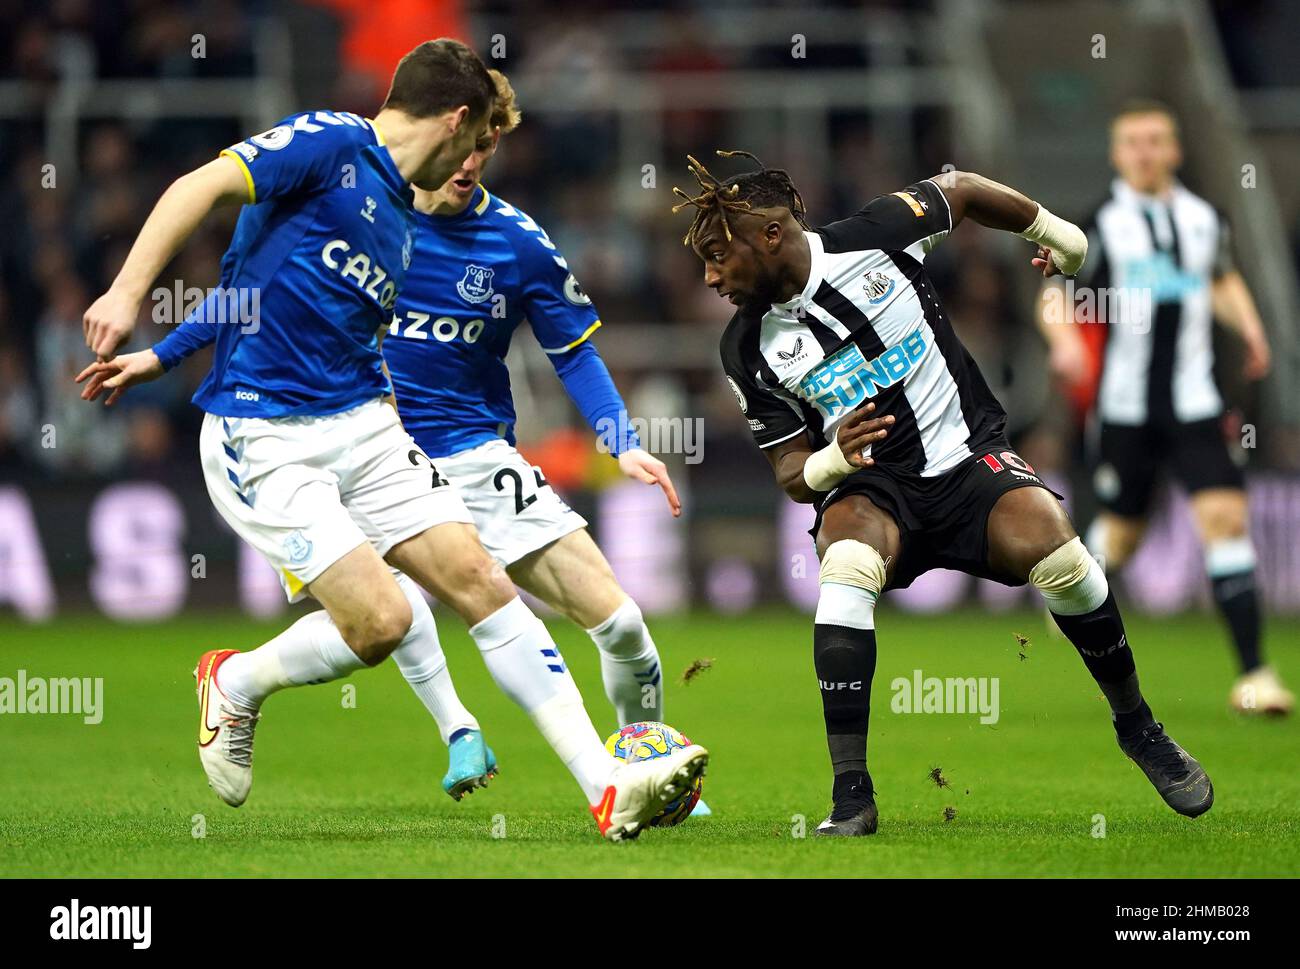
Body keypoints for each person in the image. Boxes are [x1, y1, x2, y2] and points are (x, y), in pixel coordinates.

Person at [76, 40, 706, 842]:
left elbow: (263, 293)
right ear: (456, 118)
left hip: (370, 424)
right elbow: (199, 186)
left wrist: (619, 436)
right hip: (263, 431)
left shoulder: (418, 217)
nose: (478, 156)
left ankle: (606, 786)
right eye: (476, 136)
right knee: (380, 624)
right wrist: (133, 298)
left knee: (480, 579)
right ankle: (235, 679)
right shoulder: (330, 143)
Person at [674, 149, 1212, 835]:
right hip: (871, 489)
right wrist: (834, 460)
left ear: (771, 235)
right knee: (844, 566)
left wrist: (1058, 235)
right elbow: (788, 470)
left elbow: (960, 191)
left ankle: (1138, 726)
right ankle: (852, 795)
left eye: (720, 255)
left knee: (1059, 553)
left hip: (967, 461)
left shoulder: (876, 236)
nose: (712, 275)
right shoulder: (745, 349)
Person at [1036, 100, 1290, 715]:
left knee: (1226, 523)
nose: (1146, 152)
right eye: (1133, 142)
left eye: (1156, 141)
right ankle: (1078, 580)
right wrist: (1067, 340)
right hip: (1125, 412)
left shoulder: (1206, 219)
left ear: (1174, 150)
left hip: (1196, 406)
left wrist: (1252, 329)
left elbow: (1220, 278)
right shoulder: (1099, 224)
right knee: (1122, 536)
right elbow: (1054, 292)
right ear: (1117, 154)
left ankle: (1254, 676)